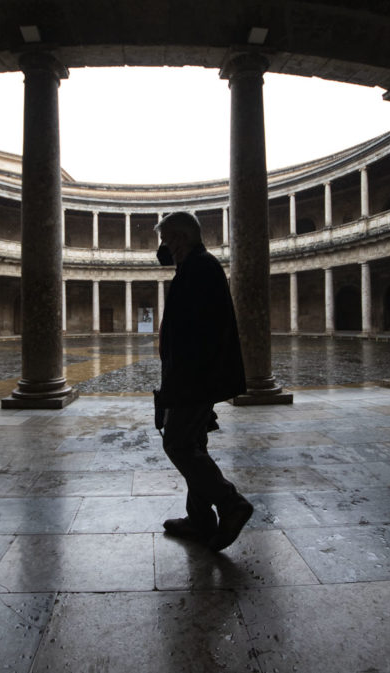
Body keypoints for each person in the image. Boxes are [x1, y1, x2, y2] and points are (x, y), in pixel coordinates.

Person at [154, 211, 254, 551]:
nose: (163, 247)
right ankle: (199, 519)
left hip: (194, 378)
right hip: (194, 377)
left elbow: (195, 334)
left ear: (181, 237)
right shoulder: (195, 267)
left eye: (167, 239)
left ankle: (231, 503)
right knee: (193, 445)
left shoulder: (200, 268)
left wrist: (180, 386)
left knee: (178, 445)